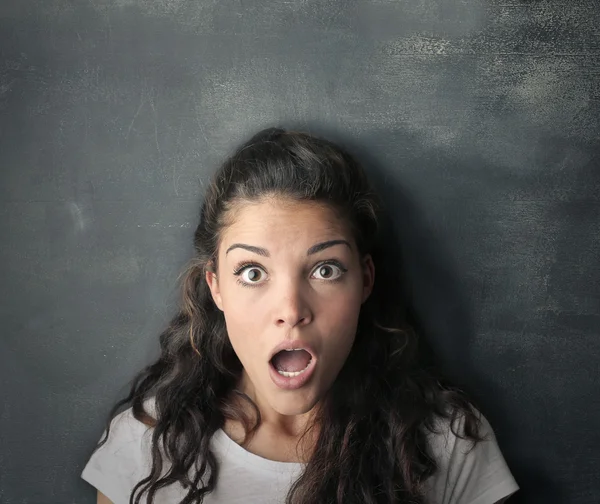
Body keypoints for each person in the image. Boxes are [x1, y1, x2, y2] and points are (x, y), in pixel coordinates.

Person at [81, 127, 520, 504]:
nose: (291, 311)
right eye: (253, 273)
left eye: (325, 270)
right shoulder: (145, 447)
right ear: (216, 287)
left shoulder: (445, 443)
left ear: (365, 280)